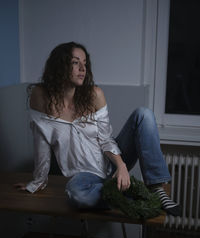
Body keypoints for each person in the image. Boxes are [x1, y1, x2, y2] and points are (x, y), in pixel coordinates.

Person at [15, 42, 181, 216]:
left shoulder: (94, 95)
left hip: (111, 160)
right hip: (84, 176)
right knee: (76, 195)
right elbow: (41, 143)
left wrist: (121, 165)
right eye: (75, 62)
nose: (82, 68)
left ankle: (155, 188)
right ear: (60, 65)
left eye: (85, 63)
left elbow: (105, 139)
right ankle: (132, 197)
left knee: (144, 114)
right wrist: (37, 182)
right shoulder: (40, 96)